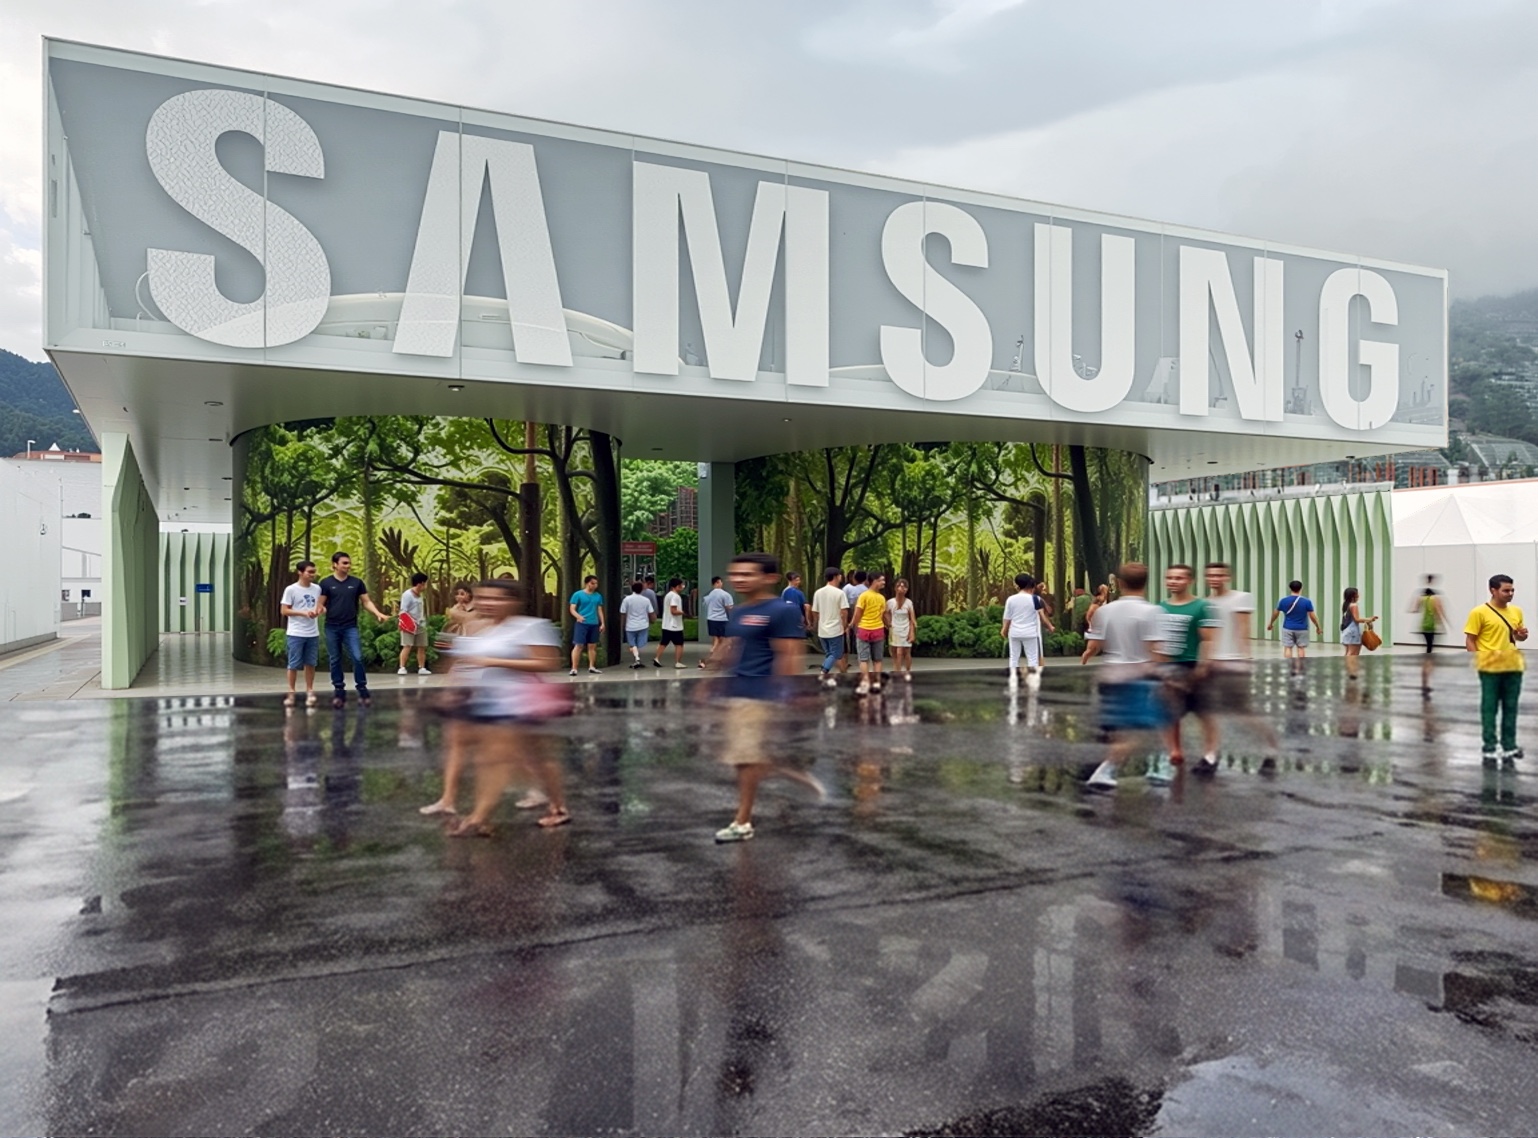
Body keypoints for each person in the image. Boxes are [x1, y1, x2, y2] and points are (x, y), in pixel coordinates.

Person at [706, 552, 823, 842]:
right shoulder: (738, 611)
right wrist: (710, 679)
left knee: (745, 759)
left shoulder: (782, 610)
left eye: (747, 574)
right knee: (742, 758)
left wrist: (785, 694)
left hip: (761, 696)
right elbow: (733, 647)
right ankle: (786, 770)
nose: (739, 579)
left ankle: (742, 822)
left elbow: (790, 654)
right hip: (737, 692)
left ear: (769, 577)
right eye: (735, 574)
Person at [446, 579, 571, 835]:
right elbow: (466, 663)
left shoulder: (532, 627)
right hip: (488, 703)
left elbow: (548, 664)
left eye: (497, 598)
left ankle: (478, 818)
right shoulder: (483, 628)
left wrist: (492, 661)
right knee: (538, 760)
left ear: (514, 602)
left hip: (520, 703)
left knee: (494, 759)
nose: (488, 604)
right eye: (482, 598)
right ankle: (558, 807)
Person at [1080, 562, 1167, 791]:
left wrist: (1088, 653)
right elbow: (1154, 649)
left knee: (1123, 730)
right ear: (1146, 583)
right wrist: (1162, 674)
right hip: (1136, 678)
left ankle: (1157, 766)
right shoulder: (1151, 612)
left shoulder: (1105, 611)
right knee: (1142, 729)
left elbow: (1095, 644)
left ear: (1119, 583)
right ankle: (1106, 770)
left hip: (1110, 677)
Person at [1204, 562, 1279, 768]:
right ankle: (1211, 753)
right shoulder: (1205, 603)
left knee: (1241, 711)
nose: (1214, 579)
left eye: (1219, 575)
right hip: (1211, 665)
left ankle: (1269, 741)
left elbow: (1243, 630)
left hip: (1234, 665)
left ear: (1227, 577)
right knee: (1207, 711)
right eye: (1210, 575)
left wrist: (1245, 660)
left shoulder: (1240, 598)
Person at [1158, 563, 1220, 776]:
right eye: (1170, 578)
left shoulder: (1201, 606)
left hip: (1193, 665)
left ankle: (1210, 753)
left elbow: (1208, 639)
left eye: (1179, 578)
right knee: (1170, 712)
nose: (1173, 582)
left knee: (1203, 712)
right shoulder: (1161, 608)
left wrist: (1205, 665)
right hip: (1168, 667)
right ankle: (1175, 750)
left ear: (1190, 581)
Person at [1464, 574, 1528, 765]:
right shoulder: (1479, 613)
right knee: (1489, 708)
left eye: (1512, 590)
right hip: (1490, 668)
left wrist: (1521, 635)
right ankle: (1489, 746)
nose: (1510, 594)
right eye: (1506, 590)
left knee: (1511, 708)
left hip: (1513, 666)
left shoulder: (1516, 611)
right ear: (1493, 590)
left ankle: (1509, 745)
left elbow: (1518, 638)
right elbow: (1470, 639)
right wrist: (1477, 658)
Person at [319, 552, 391, 708]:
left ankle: (362, 689)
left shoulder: (357, 583)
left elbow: (366, 601)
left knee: (357, 657)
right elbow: (320, 604)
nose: (348, 566)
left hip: (350, 627)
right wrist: (318, 610)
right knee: (335, 659)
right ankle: (339, 690)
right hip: (332, 627)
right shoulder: (325, 583)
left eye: (348, 563)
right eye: (344, 563)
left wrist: (378, 613)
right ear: (335, 565)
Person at [280, 560, 322, 708]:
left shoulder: (317, 589)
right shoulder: (291, 590)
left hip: (313, 632)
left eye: (313, 571)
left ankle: (310, 690)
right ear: (300, 572)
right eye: (309, 572)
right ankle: (291, 692)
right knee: (293, 664)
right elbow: (284, 611)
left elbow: (321, 607)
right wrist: (303, 613)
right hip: (296, 632)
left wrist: (318, 611)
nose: (312, 574)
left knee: (310, 663)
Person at [1002, 573, 1055, 681]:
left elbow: (1007, 618)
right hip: (1030, 633)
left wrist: (1004, 630)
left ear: (1017, 586)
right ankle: (1033, 680)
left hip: (1015, 633)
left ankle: (1013, 679)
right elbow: (1042, 616)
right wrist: (1050, 626)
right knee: (1032, 658)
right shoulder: (1035, 599)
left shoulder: (1011, 599)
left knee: (1014, 657)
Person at [852, 571, 890, 695]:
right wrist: (889, 625)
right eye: (881, 580)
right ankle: (877, 683)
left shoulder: (864, 596)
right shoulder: (881, 598)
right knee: (877, 660)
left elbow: (858, 613)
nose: (883, 582)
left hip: (864, 629)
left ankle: (865, 682)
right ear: (873, 581)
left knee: (863, 659)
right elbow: (884, 615)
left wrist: (854, 626)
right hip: (878, 630)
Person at [811, 567, 850, 689]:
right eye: (840, 575)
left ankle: (841, 676)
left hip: (822, 630)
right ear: (836, 576)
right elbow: (844, 612)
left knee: (829, 654)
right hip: (835, 629)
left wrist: (818, 622)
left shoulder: (818, 592)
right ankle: (823, 672)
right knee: (836, 653)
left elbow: (815, 611)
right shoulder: (840, 593)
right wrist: (845, 626)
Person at [1266, 579, 1322, 663]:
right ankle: (1301, 668)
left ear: (1290, 588)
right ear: (1301, 588)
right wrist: (1318, 627)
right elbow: (1312, 616)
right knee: (1301, 648)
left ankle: (1289, 667)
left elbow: (1275, 613)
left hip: (1287, 628)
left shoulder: (1283, 601)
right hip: (1302, 629)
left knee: (1288, 648)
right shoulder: (1307, 602)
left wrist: (1271, 623)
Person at [1410, 575, 1447, 696]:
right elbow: (1439, 612)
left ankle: (1424, 678)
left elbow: (1414, 609)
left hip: (1423, 627)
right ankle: (1426, 678)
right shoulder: (1435, 598)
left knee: (1427, 650)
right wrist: (1444, 624)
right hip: (1431, 627)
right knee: (1430, 653)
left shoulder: (1421, 598)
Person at [568, 575, 605, 676]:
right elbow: (572, 608)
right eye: (592, 583)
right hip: (582, 623)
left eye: (596, 583)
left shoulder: (598, 596)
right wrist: (578, 616)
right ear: (587, 583)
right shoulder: (578, 595)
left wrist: (602, 622)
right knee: (579, 645)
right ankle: (574, 668)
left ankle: (592, 666)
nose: (595, 585)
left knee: (592, 645)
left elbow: (599, 609)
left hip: (594, 623)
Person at [1339, 587, 1378, 680]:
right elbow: (1357, 619)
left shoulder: (1346, 604)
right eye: (1357, 593)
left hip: (1346, 630)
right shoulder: (1354, 605)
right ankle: (1352, 672)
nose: (1358, 595)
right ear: (1353, 595)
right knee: (1353, 652)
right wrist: (1369, 619)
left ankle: (1349, 671)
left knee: (1348, 652)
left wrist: (1367, 619)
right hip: (1353, 631)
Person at [397, 572, 431, 675]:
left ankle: (421, 667)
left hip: (421, 624)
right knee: (407, 645)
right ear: (420, 583)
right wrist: (408, 624)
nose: (425, 586)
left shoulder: (420, 595)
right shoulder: (407, 595)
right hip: (409, 625)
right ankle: (402, 667)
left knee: (422, 646)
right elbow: (403, 611)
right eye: (425, 583)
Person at [619, 578, 656, 668]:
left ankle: (637, 658)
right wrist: (653, 620)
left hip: (630, 625)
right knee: (640, 644)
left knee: (632, 644)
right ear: (642, 589)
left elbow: (623, 613)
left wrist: (622, 624)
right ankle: (637, 658)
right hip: (643, 625)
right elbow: (651, 612)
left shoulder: (627, 599)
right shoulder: (646, 600)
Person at [653, 577, 689, 668]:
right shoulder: (675, 596)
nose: (682, 587)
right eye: (681, 585)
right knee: (679, 644)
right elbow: (673, 610)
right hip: (675, 625)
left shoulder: (668, 595)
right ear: (676, 586)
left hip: (666, 624)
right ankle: (678, 662)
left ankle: (657, 658)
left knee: (663, 642)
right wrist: (683, 612)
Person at [699, 576, 734, 667]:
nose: (722, 584)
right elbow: (729, 607)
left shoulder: (708, 596)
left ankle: (718, 660)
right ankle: (707, 660)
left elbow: (706, 605)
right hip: (722, 619)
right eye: (721, 582)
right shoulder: (725, 594)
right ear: (717, 582)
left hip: (711, 619)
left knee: (716, 640)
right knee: (722, 642)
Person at [841, 570, 869, 675]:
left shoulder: (847, 588)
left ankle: (845, 660)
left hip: (848, 613)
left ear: (854, 578)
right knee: (860, 637)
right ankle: (861, 658)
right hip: (863, 616)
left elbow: (843, 602)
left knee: (846, 637)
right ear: (865, 579)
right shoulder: (867, 590)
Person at [888, 577, 916, 683]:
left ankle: (907, 672)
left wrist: (912, 632)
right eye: (899, 586)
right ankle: (896, 670)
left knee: (904, 652)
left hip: (905, 629)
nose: (901, 588)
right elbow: (884, 613)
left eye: (904, 587)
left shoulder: (909, 603)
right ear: (895, 588)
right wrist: (888, 623)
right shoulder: (890, 602)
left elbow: (912, 618)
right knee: (895, 652)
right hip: (895, 629)